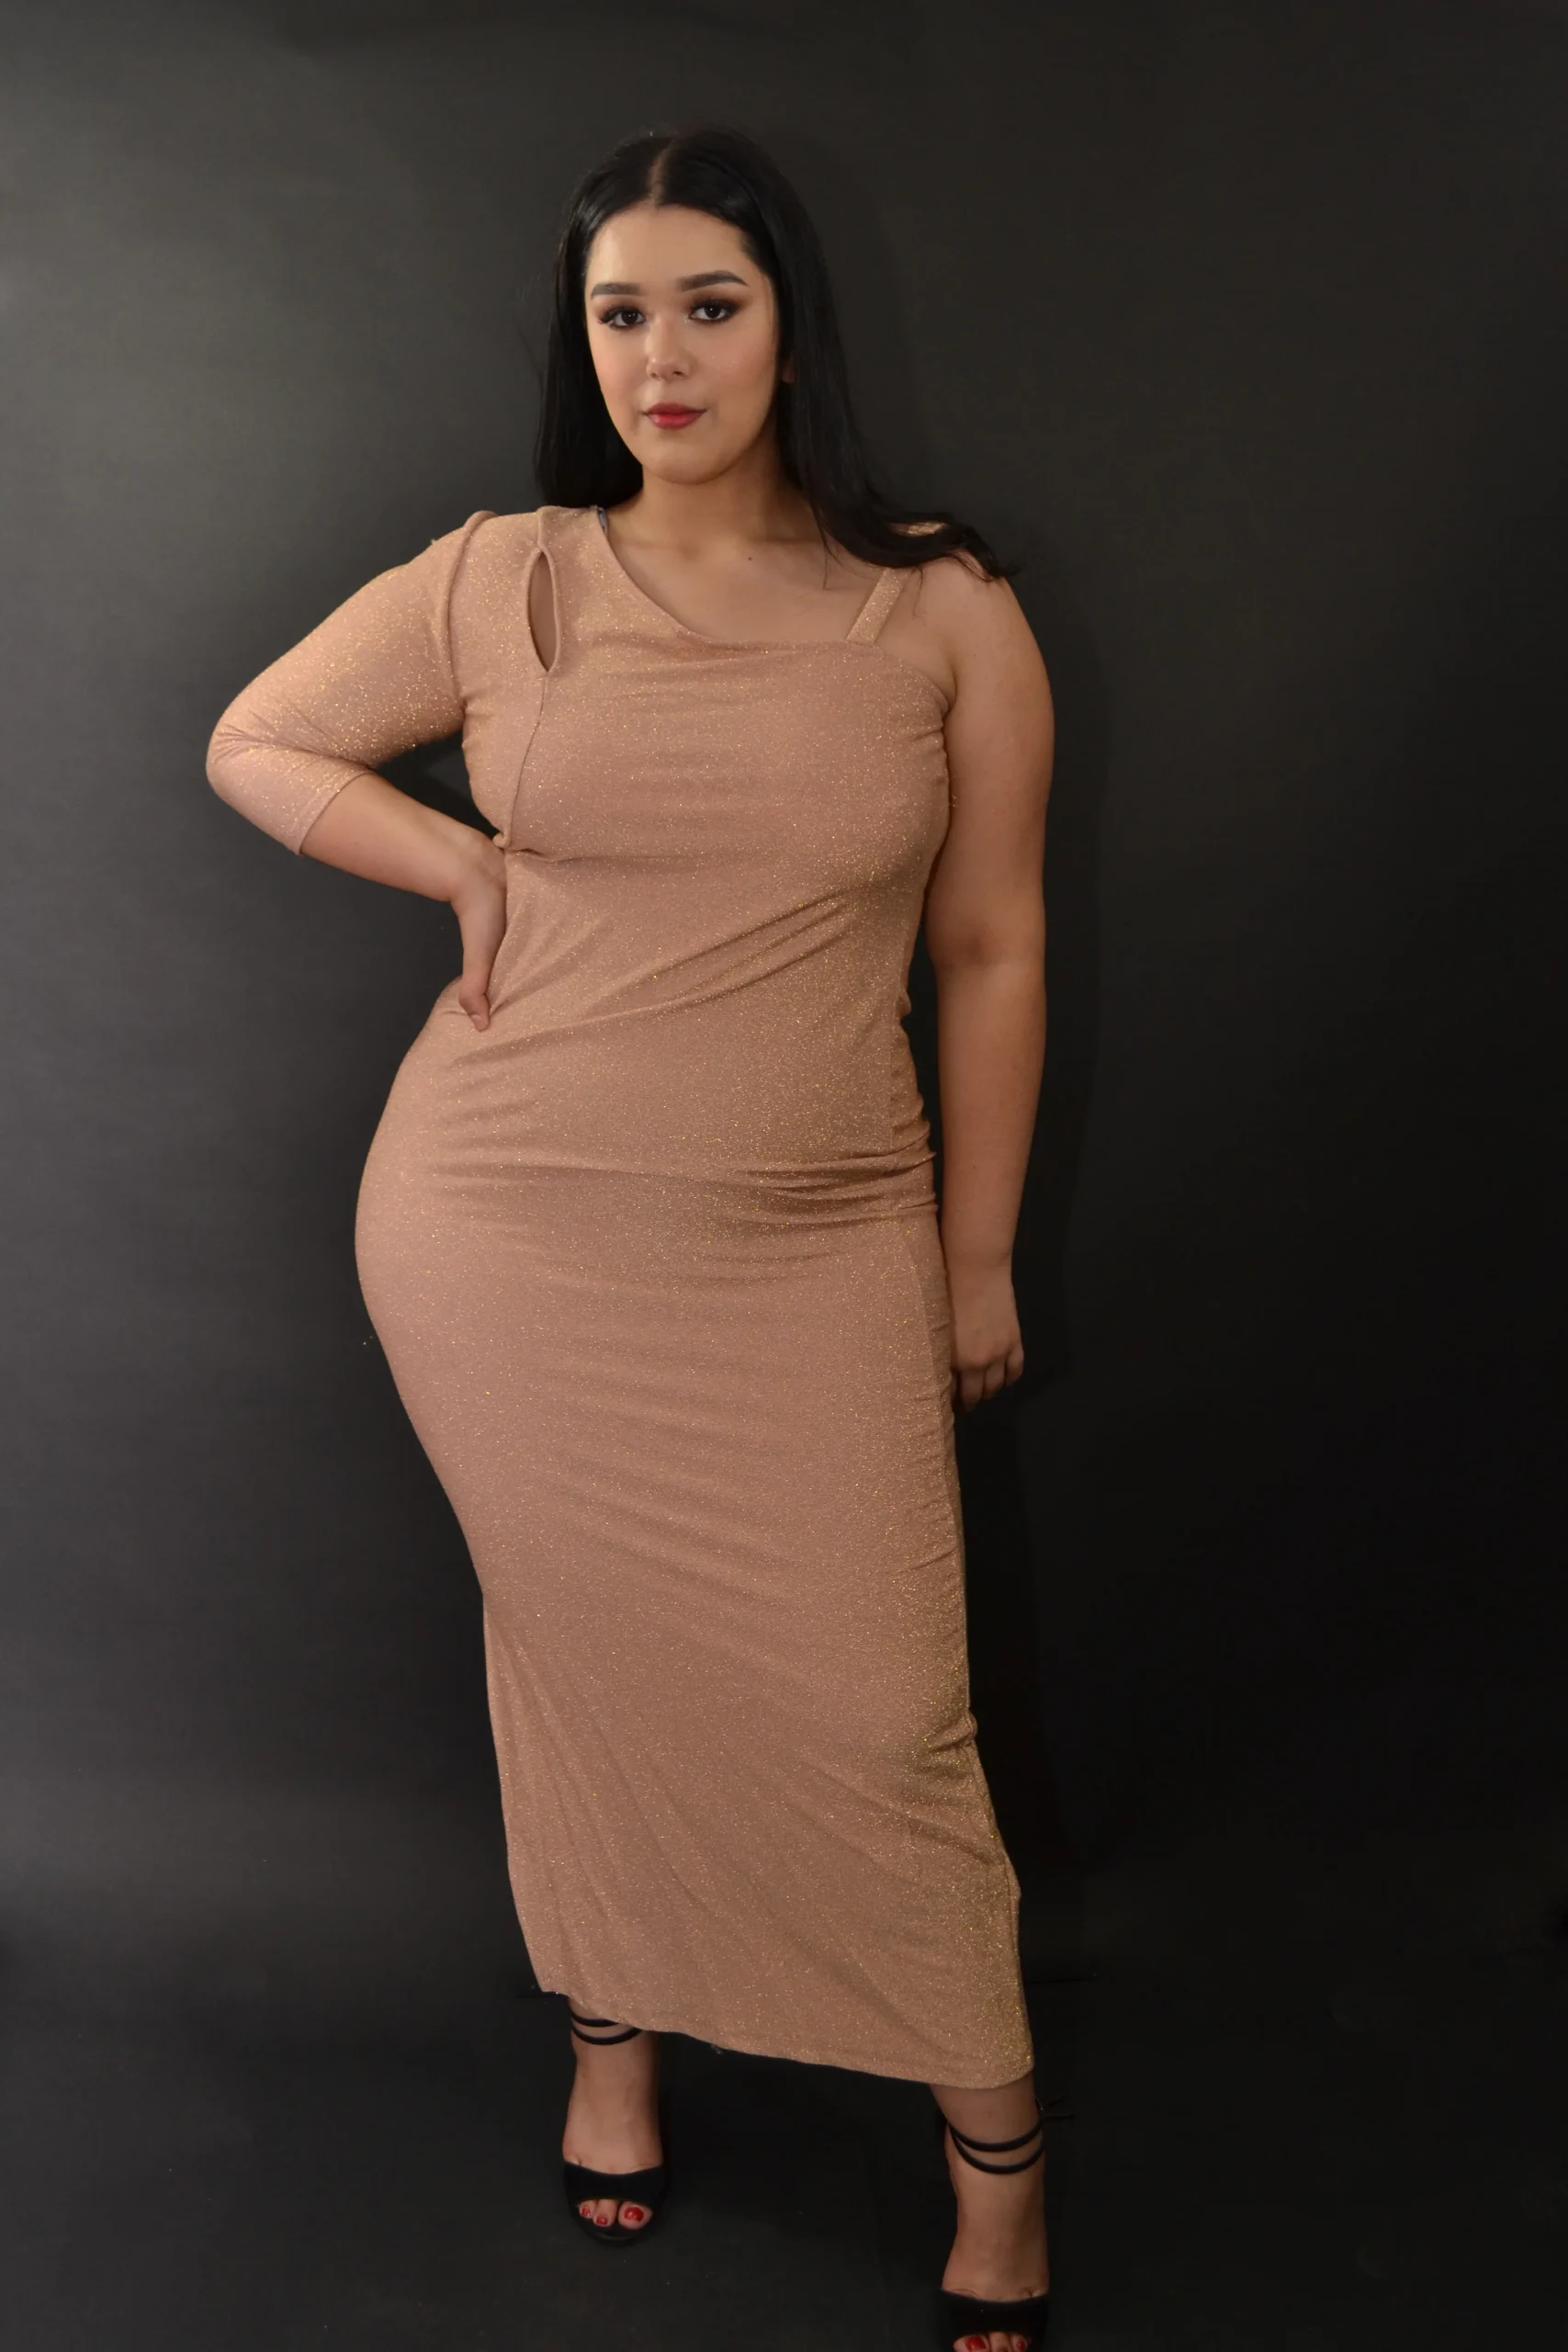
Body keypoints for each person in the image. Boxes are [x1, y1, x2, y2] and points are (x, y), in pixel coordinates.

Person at [206, 122, 1055, 2352]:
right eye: (618, 314)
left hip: (821, 1233)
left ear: (788, 328)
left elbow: (989, 944)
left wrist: (975, 1256)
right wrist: (459, 863)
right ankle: (614, 2038)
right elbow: (257, 738)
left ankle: (997, 2162)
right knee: (579, 1652)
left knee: (885, 1712)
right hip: (501, 1228)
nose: (660, 356)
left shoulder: (939, 605)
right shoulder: (506, 577)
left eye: (707, 305)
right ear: (578, 345)